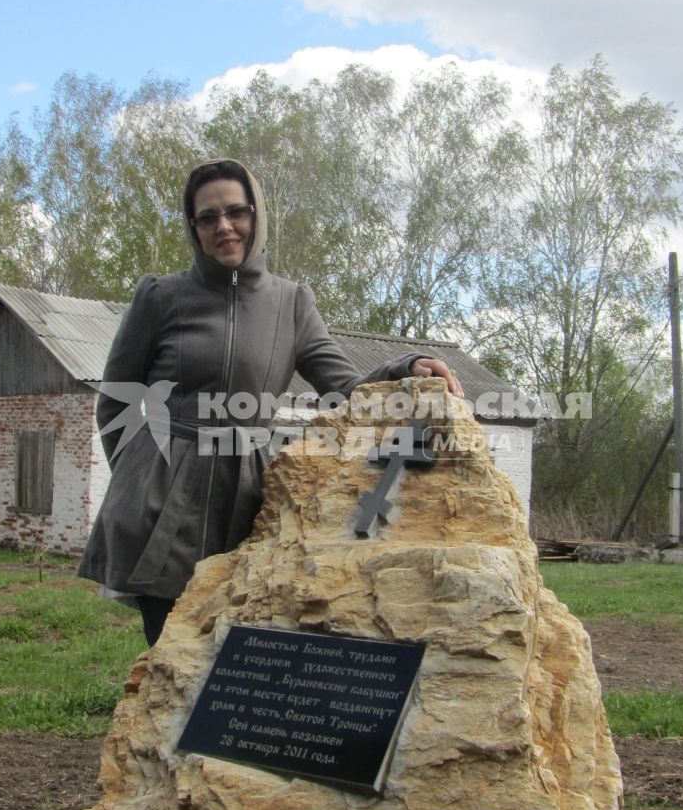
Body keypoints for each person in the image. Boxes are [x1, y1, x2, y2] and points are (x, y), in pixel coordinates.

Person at [79, 158, 463, 644]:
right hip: (162, 502)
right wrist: (138, 478)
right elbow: (116, 401)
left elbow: (344, 388)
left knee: (242, 649)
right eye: (208, 217)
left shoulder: (291, 302)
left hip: (248, 496)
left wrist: (405, 367)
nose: (224, 227)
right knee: (172, 652)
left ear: (257, 215)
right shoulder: (161, 296)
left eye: (236, 212)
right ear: (193, 226)